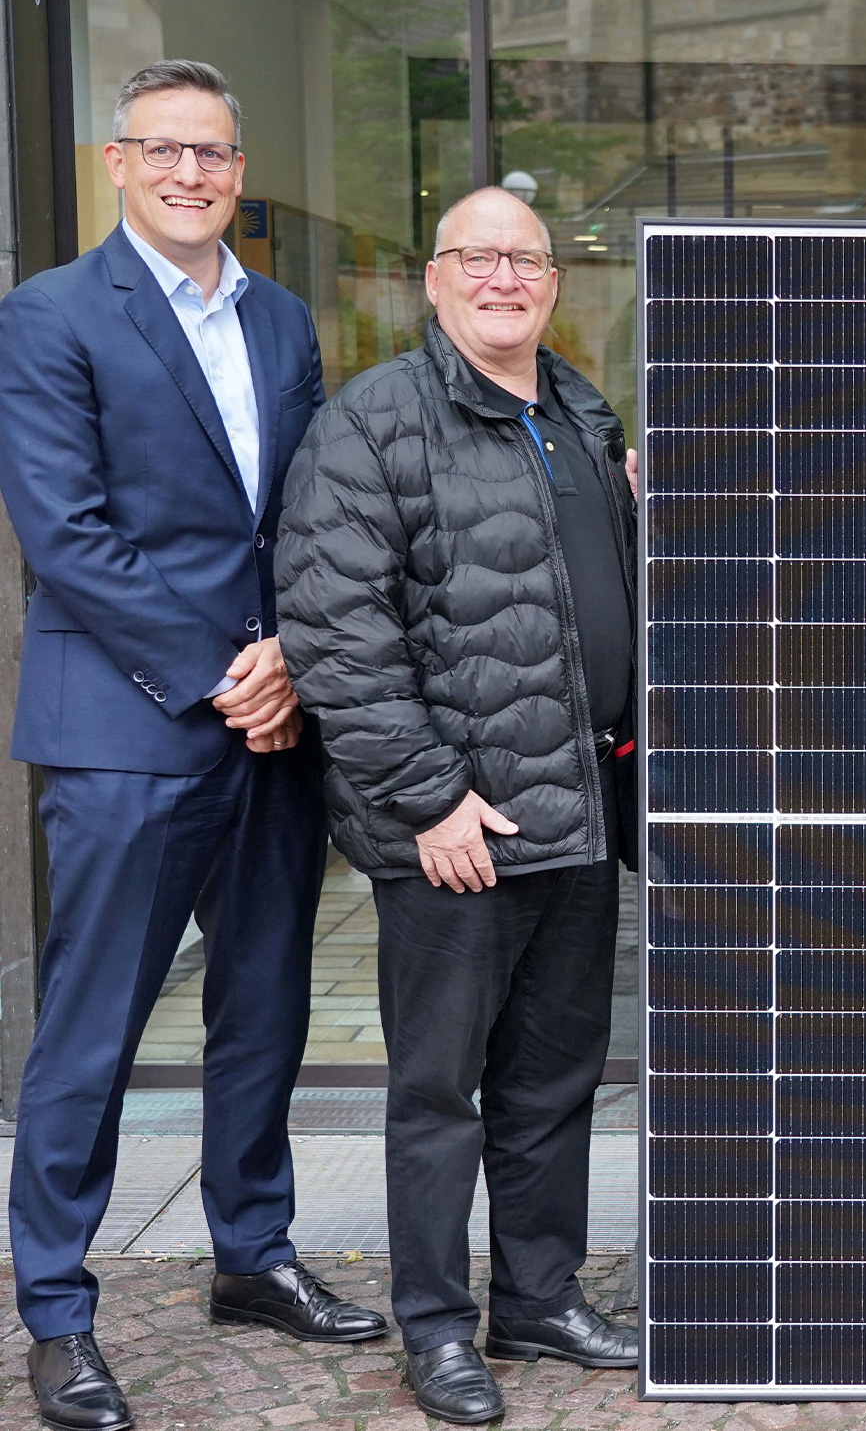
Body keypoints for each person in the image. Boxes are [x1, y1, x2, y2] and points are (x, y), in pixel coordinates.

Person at [0, 59, 386, 1431]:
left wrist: (294, 655)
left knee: (265, 1002)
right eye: (162, 148)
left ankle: (253, 1252)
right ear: (116, 161)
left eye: (212, 152)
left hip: (274, 722)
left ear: (239, 171)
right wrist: (227, 672)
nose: (188, 172)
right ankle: (57, 1307)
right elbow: (66, 532)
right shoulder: (49, 314)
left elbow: (307, 512)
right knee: (94, 1023)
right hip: (129, 726)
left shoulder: (280, 318)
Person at [276, 186, 639, 1425]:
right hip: (455, 830)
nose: (502, 278)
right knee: (440, 1095)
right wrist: (432, 800)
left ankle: (537, 1297)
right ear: (432, 281)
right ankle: (435, 1327)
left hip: (576, 807)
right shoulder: (373, 421)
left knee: (554, 1080)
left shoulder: (580, 414)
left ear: (553, 283)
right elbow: (336, 632)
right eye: (476, 258)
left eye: (524, 260)